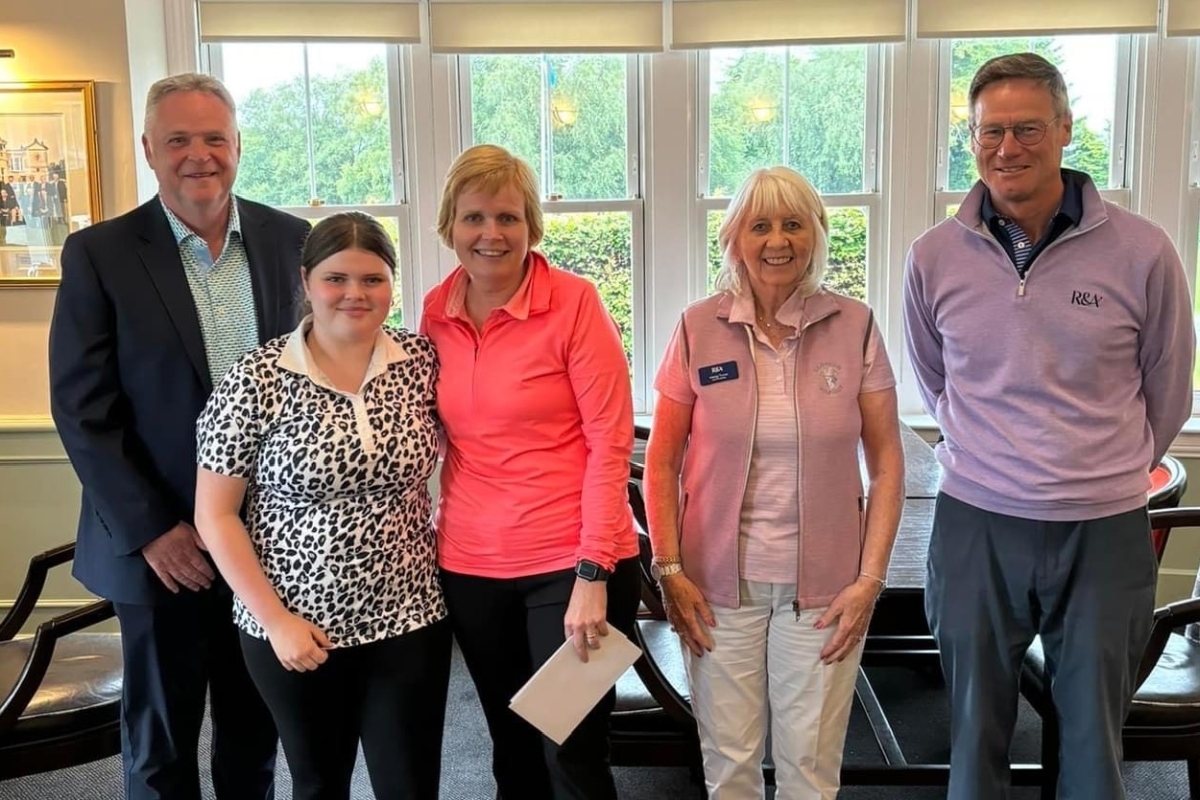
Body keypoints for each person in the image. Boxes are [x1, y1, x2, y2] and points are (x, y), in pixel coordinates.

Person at [903, 52, 1196, 800]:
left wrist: (1097, 468)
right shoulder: (933, 258)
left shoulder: (1144, 253)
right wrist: (995, 457)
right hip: (976, 521)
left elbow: (1166, 389)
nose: (1007, 148)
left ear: (1065, 130)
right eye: (989, 131)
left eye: (1028, 128)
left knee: (1095, 739)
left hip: (1102, 527)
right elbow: (938, 382)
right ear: (971, 140)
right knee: (972, 731)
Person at [48, 73, 310, 800]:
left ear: (238, 146)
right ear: (149, 151)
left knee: (255, 733)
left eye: (214, 138)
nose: (200, 155)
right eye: (178, 140)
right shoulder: (99, 253)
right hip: (159, 548)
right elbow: (83, 411)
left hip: (266, 544)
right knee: (161, 744)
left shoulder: (293, 241)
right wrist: (156, 530)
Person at [643, 165, 904, 800]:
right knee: (728, 762)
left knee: (810, 768)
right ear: (735, 238)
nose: (777, 241)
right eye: (760, 225)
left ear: (815, 235)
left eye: (793, 224)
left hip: (825, 592)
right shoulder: (697, 328)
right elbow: (662, 459)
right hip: (715, 587)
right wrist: (670, 570)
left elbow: (888, 462)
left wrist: (869, 582)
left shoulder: (856, 325)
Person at [194, 212, 451, 800]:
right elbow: (215, 515)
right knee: (317, 784)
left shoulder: (421, 364)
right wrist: (275, 622)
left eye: (373, 279)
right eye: (337, 279)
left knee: (411, 786)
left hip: (409, 617)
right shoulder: (256, 377)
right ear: (307, 280)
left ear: (392, 285)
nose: (355, 295)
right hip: (296, 626)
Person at [420, 143, 640, 800]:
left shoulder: (574, 303)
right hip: (472, 565)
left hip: (574, 565)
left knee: (569, 751)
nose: (491, 234)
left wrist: (593, 572)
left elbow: (610, 440)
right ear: (450, 226)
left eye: (509, 217)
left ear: (532, 225)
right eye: (475, 217)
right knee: (511, 750)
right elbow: (429, 431)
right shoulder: (435, 310)